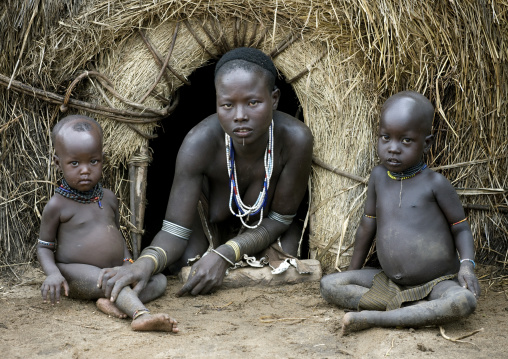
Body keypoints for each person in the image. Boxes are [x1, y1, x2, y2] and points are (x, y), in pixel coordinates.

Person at [98, 47, 313, 300]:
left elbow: (280, 219)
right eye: (228, 105)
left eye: (253, 102)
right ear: (216, 103)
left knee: (288, 254)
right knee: (185, 263)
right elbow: (175, 230)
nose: (240, 116)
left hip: (267, 231)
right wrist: (143, 264)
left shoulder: (295, 139)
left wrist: (225, 254)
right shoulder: (199, 143)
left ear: (274, 98)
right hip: (209, 232)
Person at [320, 91, 480, 335]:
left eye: (405, 141)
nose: (392, 149)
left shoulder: (435, 184)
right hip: (389, 282)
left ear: (426, 143)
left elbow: (460, 228)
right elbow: (367, 225)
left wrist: (467, 267)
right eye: (385, 138)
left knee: (462, 302)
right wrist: (353, 271)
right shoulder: (378, 177)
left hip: (436, 283)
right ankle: (412, 309)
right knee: (329, 284)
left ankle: (375, 317)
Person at [37, 115, 178, 332]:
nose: (85, 170)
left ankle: (113, 301)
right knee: (110, 282)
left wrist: (128, 261)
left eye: (93, 161)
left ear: (102, 159)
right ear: (58, 163)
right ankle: (140, 315)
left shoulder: (109, 198)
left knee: (158, 280)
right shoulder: (57, 205)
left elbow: (117, 234)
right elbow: (44, 246)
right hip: (75, 273)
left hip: (113, 270)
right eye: (74, 163)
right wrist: (53, 273)